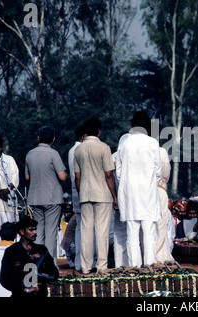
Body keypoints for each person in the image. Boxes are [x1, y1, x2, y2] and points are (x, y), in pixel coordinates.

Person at [116, 111, 162, 267]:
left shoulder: (124, 143)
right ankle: (150, 265)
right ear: (147, 126)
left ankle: (134, 267)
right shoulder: (152, 143)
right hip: (147, 192)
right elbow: (158, 171)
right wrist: (150, 183)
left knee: (132, 232)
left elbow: (119, 172)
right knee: (149, 231)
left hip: (129, 192)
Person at [74, 118, 117, 274]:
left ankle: (85, 267)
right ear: (99, 131)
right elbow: (108, 174)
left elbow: (77, 177)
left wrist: (81, 194)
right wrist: (115, 196)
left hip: (85, 193)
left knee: (86, 231)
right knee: (102, 231)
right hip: (103, 194)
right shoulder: (104, 148)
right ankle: (101, 266)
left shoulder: (79, 150)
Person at [25, 126, 67, 262]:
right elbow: (62, 176)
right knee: (51, 232)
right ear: (53, 139)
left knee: (38, 233)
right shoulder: (53, 153)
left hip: (35, 198)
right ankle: (50, 263)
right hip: (52, 198)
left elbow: (27, 177)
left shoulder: (30, 154)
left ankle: (38, 262)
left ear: (38, 138)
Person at [0, 217, 59, 297]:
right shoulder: (11, 251)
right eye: (31, 230)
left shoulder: (42, 250)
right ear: (22, 232)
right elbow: (4, 279)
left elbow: (54, 275)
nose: (35, 232)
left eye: (35, 229)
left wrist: (43, 264)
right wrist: (24, 289)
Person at [67, 125, 87, 271]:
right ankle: (83, 262)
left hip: (77, 192)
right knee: (83, 229)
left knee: (81, 228)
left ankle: (81, 262)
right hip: (82, 192)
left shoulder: (72, 150)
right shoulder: (79, 150)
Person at [112, 132, 130, 268]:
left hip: (118, 200)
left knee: (119, 234)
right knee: (134, 234)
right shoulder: (135, 157)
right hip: (133, 201)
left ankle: (120, 264)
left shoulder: (112, 157)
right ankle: (133, 263)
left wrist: (114, 198)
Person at [155, 147, 174, 263]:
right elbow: (166, 174)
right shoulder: (161, 150)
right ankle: (159, 256)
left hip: (143, 191)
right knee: (161, 225)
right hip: (159, 189)